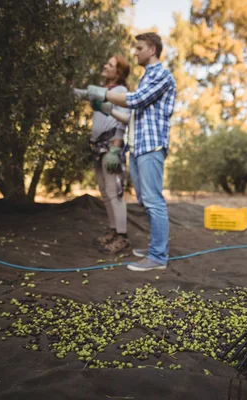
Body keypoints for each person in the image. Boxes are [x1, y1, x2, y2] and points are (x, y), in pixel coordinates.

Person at [73, 32, 176, 272]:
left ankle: (158, 257)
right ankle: (156, 248)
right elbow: (133, 113)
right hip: (139, 147)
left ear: (152, 50)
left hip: (152, 146)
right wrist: (107, 106)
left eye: (139, 48)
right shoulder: (147, 77)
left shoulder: (162, 74)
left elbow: (137, 100)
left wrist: (101, 93)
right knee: (144, 200)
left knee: (153, 201)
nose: (135, 52)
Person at [73, 55, 132, 255]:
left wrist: (116, 147)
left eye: (111, 65)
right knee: (105, 193)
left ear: (119, 72)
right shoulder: (103, 91)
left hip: (110, 145)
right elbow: (81, 94)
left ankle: (122, 237)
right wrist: (66, 83)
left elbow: (124, 121)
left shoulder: (121, 92)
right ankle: (114, 231)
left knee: (114, 192)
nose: (105, 65)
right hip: (98, 145)